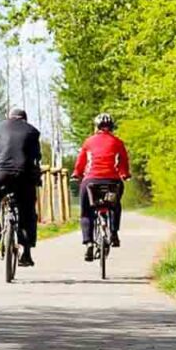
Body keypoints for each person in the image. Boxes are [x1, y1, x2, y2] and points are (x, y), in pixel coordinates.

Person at [0, 108, 42, 267]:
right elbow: (36, 158)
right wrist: (37, 179)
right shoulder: (33, 131)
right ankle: (27, 253)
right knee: (28, 210)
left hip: (0, 173)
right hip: (24, 174)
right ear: (25, 119)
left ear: (8, 118)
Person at [72, 112, 130, 262]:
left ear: (96, 126)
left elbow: (81, 162)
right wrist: (124, 174)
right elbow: (123, 162)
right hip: (112, 182)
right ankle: (114, 233)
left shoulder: (88, 142)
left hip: (91, 181)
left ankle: (89, 242)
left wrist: (77, 174)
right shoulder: (118, 142)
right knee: (115, 205)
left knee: (86, 212)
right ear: (111, 127)